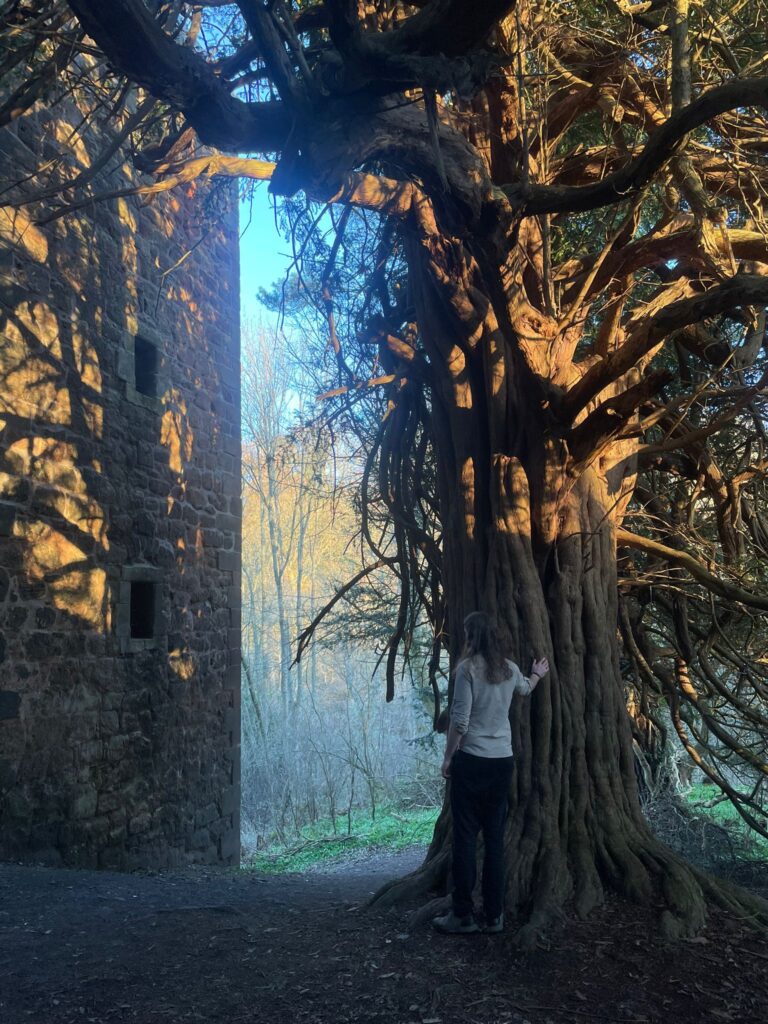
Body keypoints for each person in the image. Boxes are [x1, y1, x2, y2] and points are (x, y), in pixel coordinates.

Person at [433, 611, 549, 935]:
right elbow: (525, 689)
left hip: (472, 761)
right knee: (495, 839)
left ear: (471, 636)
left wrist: (448, 757)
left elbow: (460, 721)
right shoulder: (508, 669)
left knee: (465, 838)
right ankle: (494, 916)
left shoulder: (467, 670)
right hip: (502, 762)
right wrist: (537, 674)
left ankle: (462, 915)